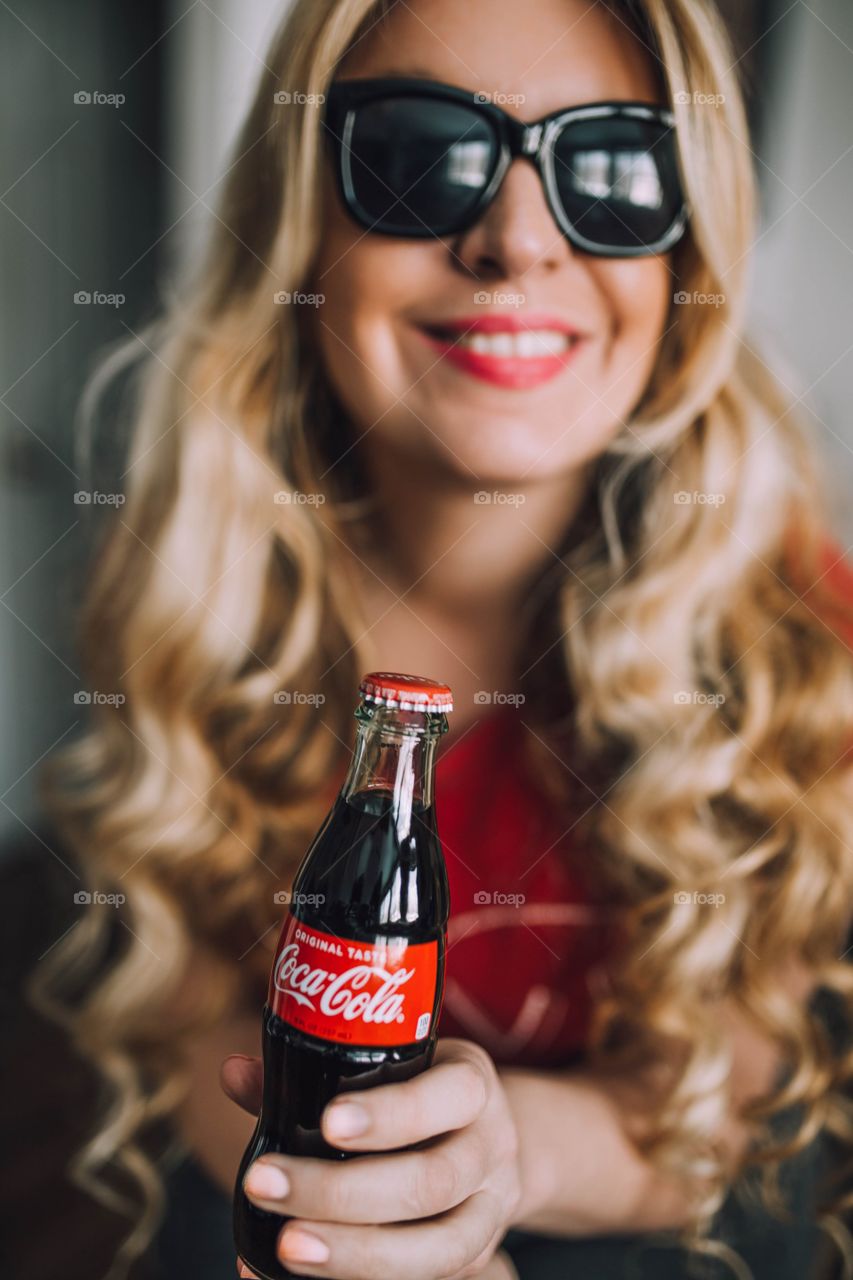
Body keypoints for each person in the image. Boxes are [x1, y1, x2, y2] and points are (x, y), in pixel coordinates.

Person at [33, 0, 853, 1277]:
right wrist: (355, 1202)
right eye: (419, 155)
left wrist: (490, 1157)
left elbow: (721, 1099)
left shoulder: (793, 624)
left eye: (611, 170)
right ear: (301, 227)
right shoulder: (199, 585)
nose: (516, 241)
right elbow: (201, 1049)